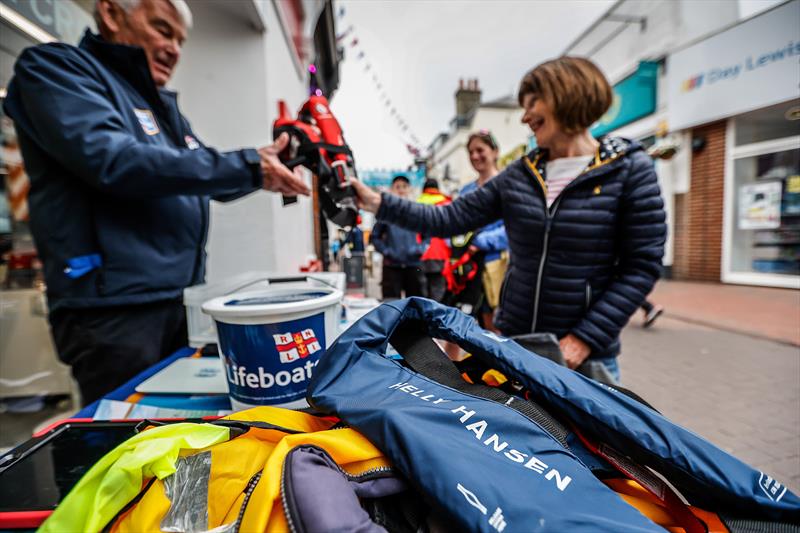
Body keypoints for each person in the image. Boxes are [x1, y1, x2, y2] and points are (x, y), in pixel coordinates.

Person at [2, 0, 310, 405]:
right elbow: (114, 160)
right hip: (115, 312)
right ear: (112, 15)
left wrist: (268, 165)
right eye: (163, 30)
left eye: (181, 40)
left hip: (180, 303)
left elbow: (205, 176)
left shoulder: (160, 108)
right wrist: (251, 166)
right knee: (130, 445)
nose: (175, 49)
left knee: (181, 433)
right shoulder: (56, 70)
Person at [352, 56, 667, 382]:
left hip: (584, 360)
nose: (526, 116)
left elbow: (641, 266)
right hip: (518, 345)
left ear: (568, 95)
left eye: (533, 103)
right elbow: (449, 218)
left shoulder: (629, 170)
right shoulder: (520, 174)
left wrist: (583, 341)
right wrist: (377, 202)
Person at [461, 130, 508, 332]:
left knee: (495, 326)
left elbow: (514, 228)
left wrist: (479, 242)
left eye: (480, 150)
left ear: (495, 151)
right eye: (470, 152)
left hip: (498, 265)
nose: (474, 156)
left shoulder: (508, 185)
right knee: (463, 323)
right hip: (469, 268)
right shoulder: (466, 191)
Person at [370, 175, 427, 300]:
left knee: (416, 304)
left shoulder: (416, 211)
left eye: (404, 187)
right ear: (392, 190)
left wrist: (420, 249)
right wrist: (387, 251)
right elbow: (374, 237)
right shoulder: (386, 213)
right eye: (398, 187)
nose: (401, 190)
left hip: (413, 265)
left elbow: (427, 235)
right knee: (391, 303)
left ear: (409, 189)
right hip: (392, 266)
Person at [416, 178, 451, 302]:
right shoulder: (446, 203)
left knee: (422, 294)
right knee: (438, 293)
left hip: (419, 255)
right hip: (441, 254)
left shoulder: (416, 205)